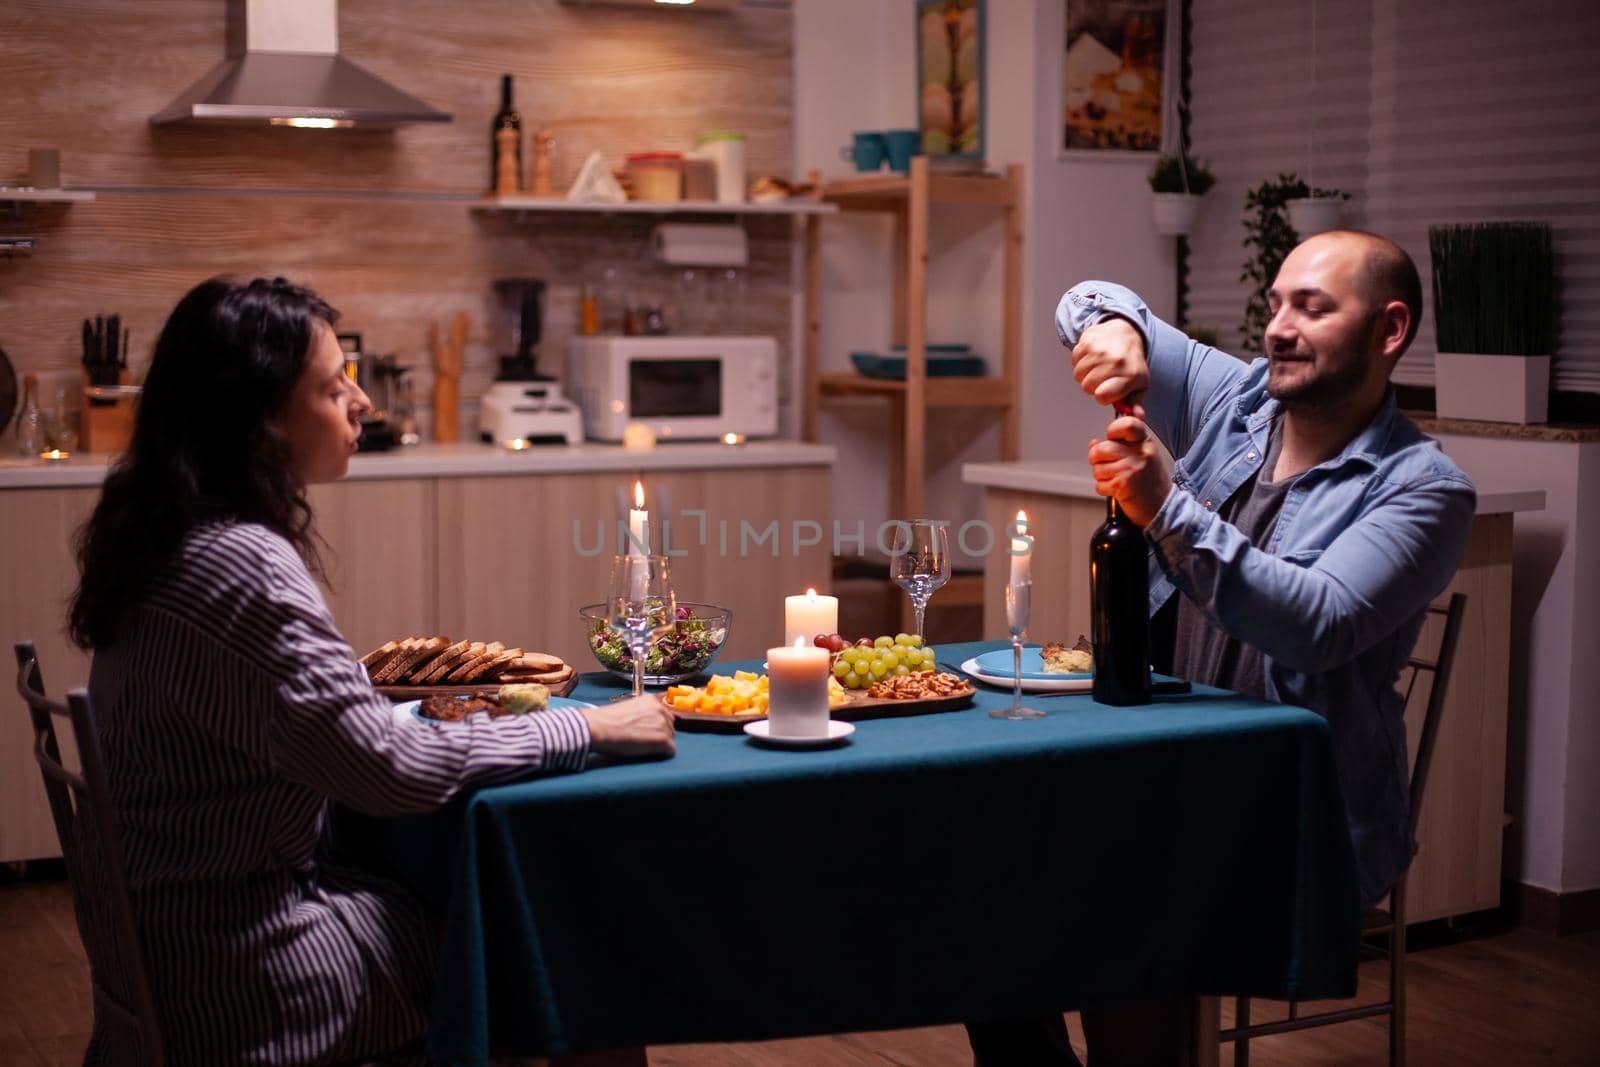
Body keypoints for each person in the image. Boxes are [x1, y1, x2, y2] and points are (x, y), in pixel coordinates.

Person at [68, 276, 676, 1065]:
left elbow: (312, 732)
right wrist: (587, 725)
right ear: (258, 421)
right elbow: (388, 770)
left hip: (169, 953)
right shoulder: (244, 565)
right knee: (573, 945)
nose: (361, 401)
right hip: (249, 978)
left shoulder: (169, 540)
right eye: (332, 385)